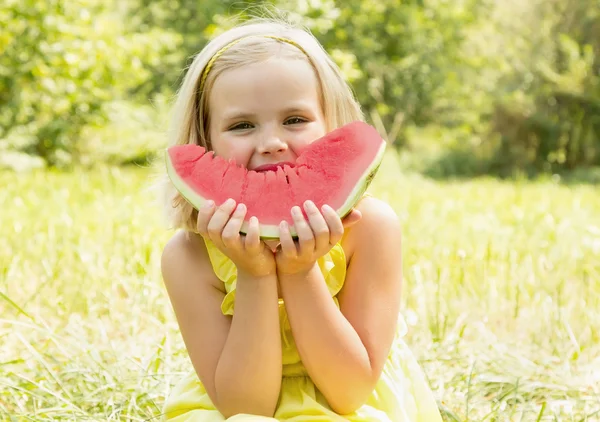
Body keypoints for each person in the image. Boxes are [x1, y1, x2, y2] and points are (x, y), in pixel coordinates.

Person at [158, 13, 444, 422]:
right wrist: (254, 275)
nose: (272, 143)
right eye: (241, 125)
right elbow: (244, 409)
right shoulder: (188, 256)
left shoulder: (372, 230)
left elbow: (351, 392)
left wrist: (300, 270)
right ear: (205, 142)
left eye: (295, 120)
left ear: (333, 128)